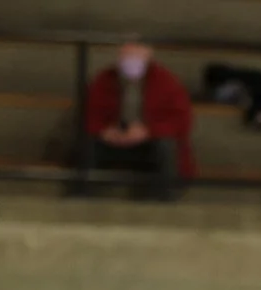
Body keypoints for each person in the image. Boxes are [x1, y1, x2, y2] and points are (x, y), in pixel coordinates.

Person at [81, 38, 196, 198]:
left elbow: (180, 120)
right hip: (112, 141)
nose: (131, 62)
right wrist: (104, 131)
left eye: (137, 57)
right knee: (87, 143)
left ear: (149, 57)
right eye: (127, 57)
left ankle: (166, 198)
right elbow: (89, 113)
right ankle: (81, 195)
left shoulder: (167, 82)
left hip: (148, 143)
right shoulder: (104, 79)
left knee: (166, 146)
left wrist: (148, 132)